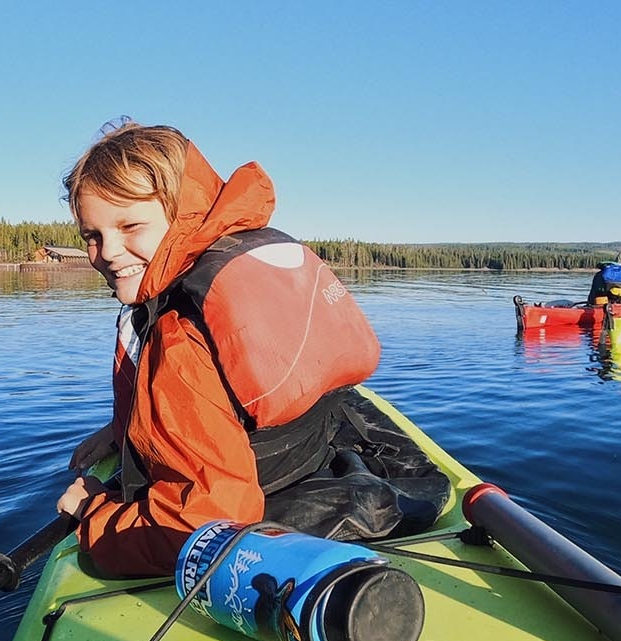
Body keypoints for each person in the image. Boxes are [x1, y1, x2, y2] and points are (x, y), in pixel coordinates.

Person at [54, 122, 446, 577]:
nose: (109, 252)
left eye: (130, 226)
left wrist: (94, 513)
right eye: (92, 236)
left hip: (242, 509)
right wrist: (124, 429)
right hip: (311, 460)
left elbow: (200, 527)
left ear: (183, 215)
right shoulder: (223, 262)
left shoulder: (180, 338)